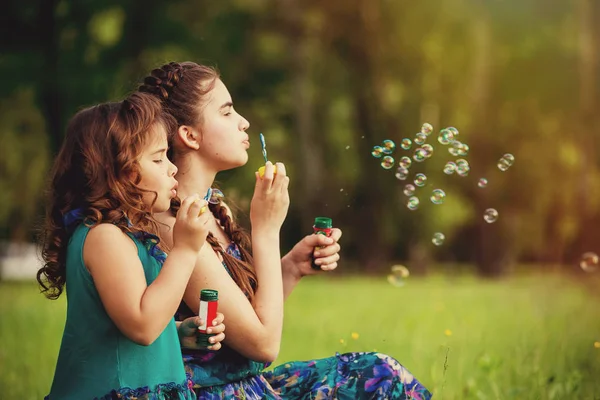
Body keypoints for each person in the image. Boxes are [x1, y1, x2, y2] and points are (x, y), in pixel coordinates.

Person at [139, 62, 433, 399]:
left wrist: (291, 267)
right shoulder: (175, 225)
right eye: (227, 112)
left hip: (247, 387)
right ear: (190, 135)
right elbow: (263, 345)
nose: (243, 122)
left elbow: (247, 314)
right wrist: (266, 229)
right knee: (382, 379)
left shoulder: (209, 208)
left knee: (380, 372)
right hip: (216, 393)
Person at [37, 92, 226, 399]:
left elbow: (124, 322)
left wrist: (175, 334)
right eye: (157, 158)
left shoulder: (125, 236)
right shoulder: (103, 237)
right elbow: (142, 325)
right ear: (117, 173)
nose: (172, 168)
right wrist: (186, 249)